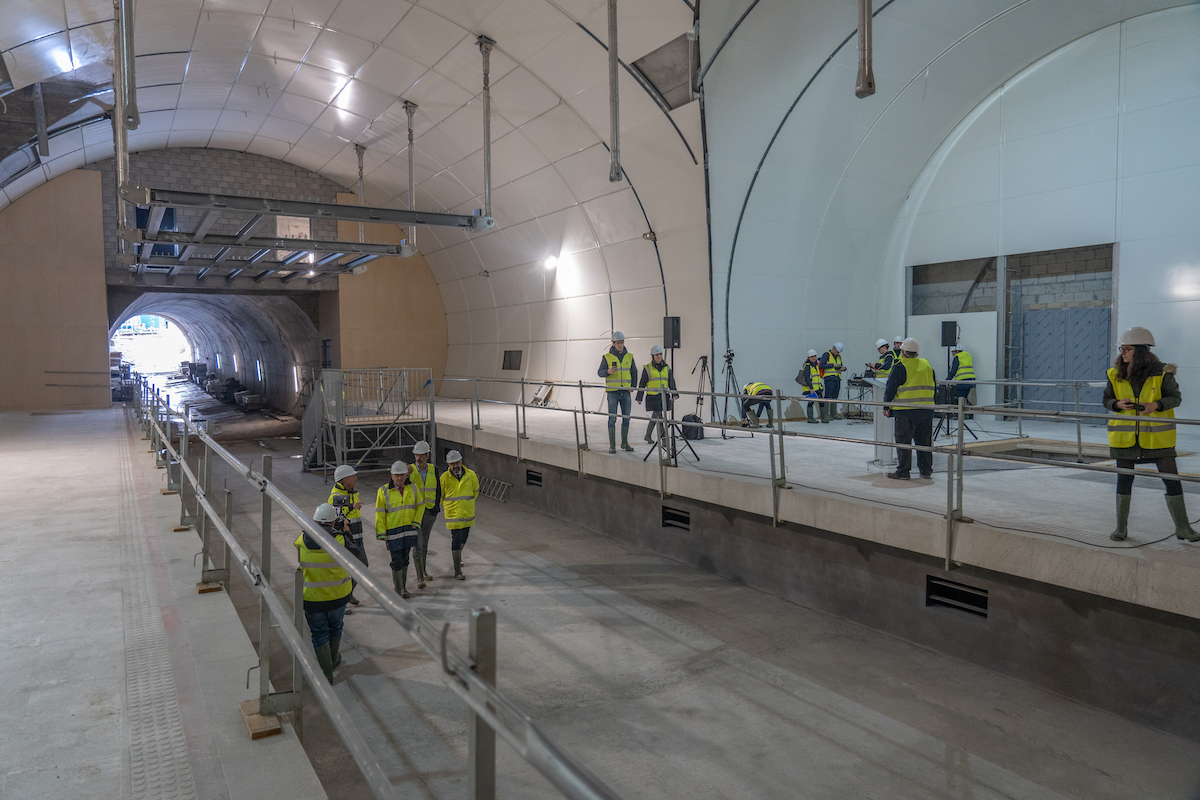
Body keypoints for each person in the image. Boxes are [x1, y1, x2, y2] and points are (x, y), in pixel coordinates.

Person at [1104, 327, 1199, 542]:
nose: (1122, 353)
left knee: (1172, 479)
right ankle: (1121, 528)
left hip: (1158, 438)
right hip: (1125, 438)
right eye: (1122, 349)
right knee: (1124, 480)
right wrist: (1117, 404)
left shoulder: (1163, 373)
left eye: (1127, 349)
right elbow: (1107, 400)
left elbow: (1175, 398)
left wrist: (1155, 404)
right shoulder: (1114, 373)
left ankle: (1183, 529)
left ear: (1141, 351)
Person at [295, 503, 352, 682]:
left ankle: (327, 674)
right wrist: (345, 530)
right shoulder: (341, 541)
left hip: (313, 599)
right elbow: (357, 554)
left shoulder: (301, 541)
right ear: (333, 522)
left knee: (319, 634)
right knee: (336, 628)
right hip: (338, 596)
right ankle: (333, 660)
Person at [883, 337, 935, 480]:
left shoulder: (900, 366)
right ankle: (926, 471)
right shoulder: (926, 365)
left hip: (905, 411)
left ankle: (903, 471)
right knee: (924, 442)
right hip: (926, 410)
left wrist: (886, 406)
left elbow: (890, 388)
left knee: (904, 442)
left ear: (902, 352)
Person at [375, 461, 424, 598]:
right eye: (396, 475)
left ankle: (403, 588)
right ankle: (398, 590)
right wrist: (381, 532)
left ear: (406, 475)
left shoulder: (413, 488)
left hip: (409, 529)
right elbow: (380, 513)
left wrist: (416, 521)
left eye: (402, 475)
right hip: (393, 531)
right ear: (391, 476)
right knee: (396, 560)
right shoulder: (383, 491)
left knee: (405, 559)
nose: (399, 478)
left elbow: (420, 505)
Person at [328, 464, 364, 609]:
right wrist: (351, 506)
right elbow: (337, 517)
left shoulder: (351, 492)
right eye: (352, 476)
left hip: (357, 539)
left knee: (362, 566)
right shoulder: (335, 497)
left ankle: (348, 594)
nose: (355, 478)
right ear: (343, 480)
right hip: (345, 541)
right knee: (344, 571)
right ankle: (343, 601)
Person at [440, 450, 480, 580]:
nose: (455, 466)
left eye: (457, 463)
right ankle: (457, 571)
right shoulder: (444, 478)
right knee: (456, 539)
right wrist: (450, 506)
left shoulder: (471, 475)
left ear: (461, 461)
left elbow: (475, 491)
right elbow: (440, 496)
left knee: (465, 537)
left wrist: (465, 504)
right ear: (448, 464)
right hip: (453, 515)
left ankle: (458, 557)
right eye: (452, 464)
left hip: (467, 513)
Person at [408, 441, 442, 588]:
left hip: (429, 512)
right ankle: (420, 577)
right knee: (418, 545)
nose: (418, 458)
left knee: (425, 543)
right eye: (416, 455)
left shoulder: (434, 470)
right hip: (416, 514)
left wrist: (435, 508)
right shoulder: (409, 470)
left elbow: (438, 490)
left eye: (421, 455)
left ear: (428, 455)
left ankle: (424, 571)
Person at [597, 331, 638, 453]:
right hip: (612, 392)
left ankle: (625, 443)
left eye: (622, 342)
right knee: (612, 419)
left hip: (625, 392)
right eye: (618, 343)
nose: (620, 345)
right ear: (613, 343)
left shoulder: (629, 356)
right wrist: (607, 371)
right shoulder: (606, 357)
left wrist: (633, 386)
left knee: (626, 418)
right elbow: (599, 372)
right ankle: (612, 445)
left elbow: (634, 372)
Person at [636, 345, 679, 443]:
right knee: (659, 416)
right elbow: (642, 383)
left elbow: (671, 381)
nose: (659, 357)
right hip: (652, 397)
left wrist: (674, 392)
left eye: (660, 354)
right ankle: (664, 440)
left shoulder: (667, 367)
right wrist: (639, 397)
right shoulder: (647, 368)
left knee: (656, 416)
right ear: (652, 356)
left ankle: (648, 436)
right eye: (656, 355)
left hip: (663, 396)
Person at [795, 349, 825, 424]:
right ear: (808, 357)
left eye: (814, 356)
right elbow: (807, 377)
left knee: (822, 402)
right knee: (811, 403)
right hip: (812, 388)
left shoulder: (816, 365)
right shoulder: (807, 366)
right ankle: (810, 418)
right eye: (811, 356)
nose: (813, 358)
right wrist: (811, 388)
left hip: (818, 387)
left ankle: (824, 418)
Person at [820, 343, 848, 419]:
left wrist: (843, 368)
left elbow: (839, 365)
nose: (838, 353)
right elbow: (821, 365)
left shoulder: (839, 357)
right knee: (828, 396)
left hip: (837, 379)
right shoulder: (826, 355)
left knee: (835, 397)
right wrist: (832, 365)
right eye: (837, 351)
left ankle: (833, 414)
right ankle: (826, 415)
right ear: (834, 348)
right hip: (829, 379)